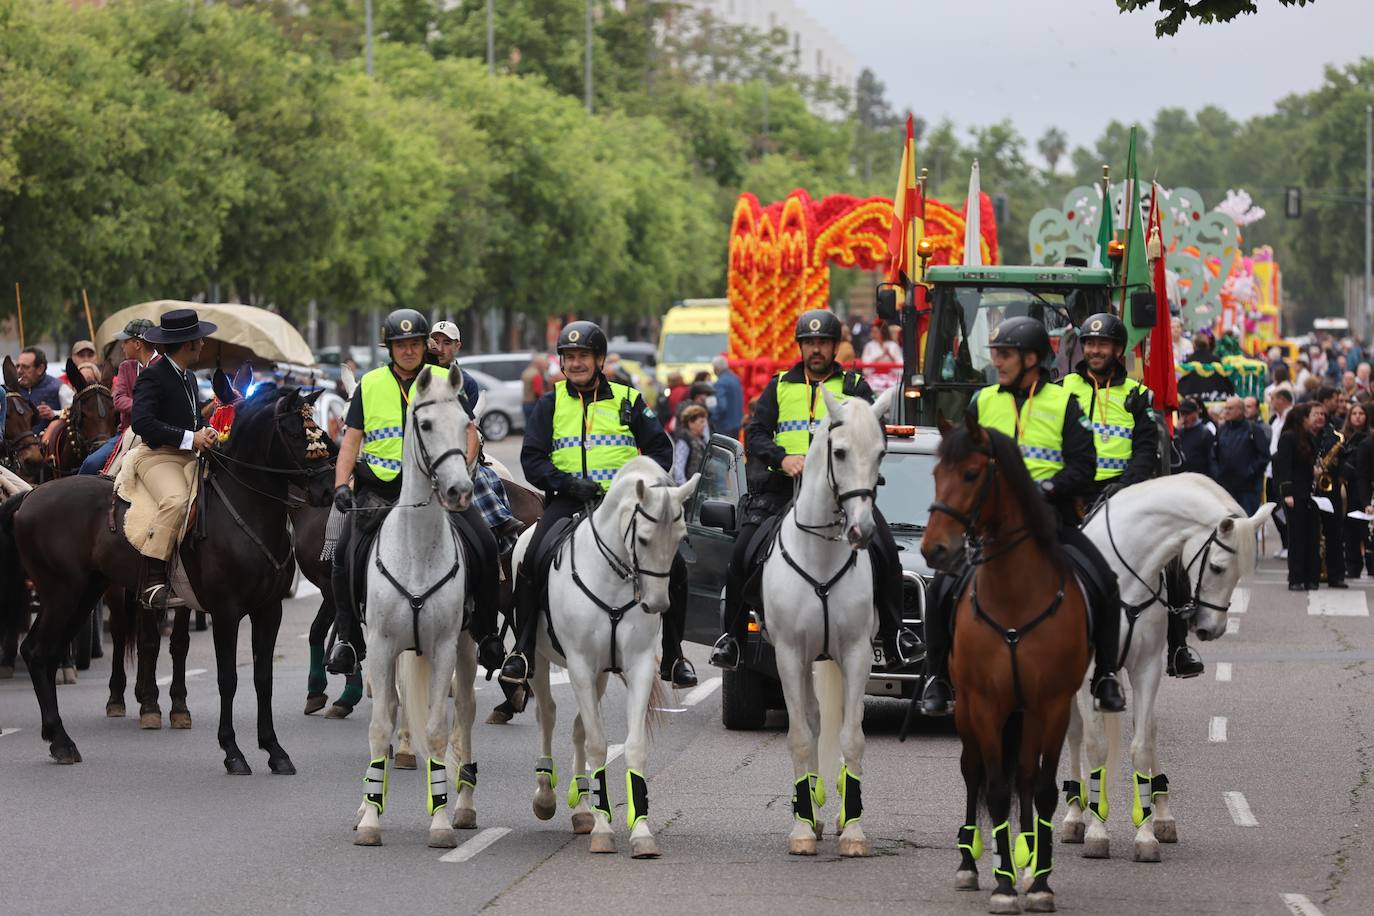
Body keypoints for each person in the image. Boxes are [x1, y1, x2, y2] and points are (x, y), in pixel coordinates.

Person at [918, 316, 1126, 715]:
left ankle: (1106, 675)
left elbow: (1085, 466)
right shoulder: (982, 401)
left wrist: (1045, 489)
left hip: (1050, 523)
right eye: (995, 354)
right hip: (990, 529)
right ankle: (937, 678)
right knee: (942, 587)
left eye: (1005, 354)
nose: (997, 361)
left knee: (1105, 582)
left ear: (1032, 358)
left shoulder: (1064, 402)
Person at [709, 309, 920, 673]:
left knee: (886, 551)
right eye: (810, 343)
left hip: (842, 493)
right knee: (742, 554)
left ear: (835, 347)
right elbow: (756, 433)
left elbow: (875, 433)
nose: (816, 350)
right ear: (801, 347)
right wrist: (783, 457)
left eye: (823, 343)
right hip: (781, 489)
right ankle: (734, 641)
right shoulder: (778, 386)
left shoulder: (854, 387)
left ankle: (896, 633)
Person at [498, 320, 698, 690]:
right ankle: (523, 648)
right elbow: (533, 459)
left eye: (583, 356)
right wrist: (566, 483)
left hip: (622, 505)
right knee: (532, 558)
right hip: (569, 501)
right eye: (568, 357)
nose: (575, 364)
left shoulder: (629, 399)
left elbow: (660, 451)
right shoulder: (549, 402)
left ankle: (673, 654)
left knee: (677, 565)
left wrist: (634, 484)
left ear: (600, 360)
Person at [325, 309, 506, 676]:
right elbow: (351, 441)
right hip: (381, 487)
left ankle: (487, 633)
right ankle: (348, 640)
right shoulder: (370, 384)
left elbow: (470, 430)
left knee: (485, 544)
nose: (407, 351)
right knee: (343, 555)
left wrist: (464, 470)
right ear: (389, 348)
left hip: (437, 487)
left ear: (424, 345)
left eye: (413, 344)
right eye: (399, 345)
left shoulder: (444, 378)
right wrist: (342, 485)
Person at [1061, 313, 1201, 678]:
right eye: (1089, 344)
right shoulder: (1061, 389)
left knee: (1168, 560)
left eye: (1102, 344)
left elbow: (1145, 449)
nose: (1094, 350)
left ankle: (1179, 646)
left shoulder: (1138, 395)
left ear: (1118, 350)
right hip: (1074, 491)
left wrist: (1127, 485)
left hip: (1123, 492)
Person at [126, 309, 221, 609]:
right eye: (200, 340)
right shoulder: (153, 377)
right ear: (187, 344)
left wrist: (204, 433)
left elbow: (191, 423)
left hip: (186, 455)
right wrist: (190, 437)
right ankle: (153, 580)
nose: (203, 344)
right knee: (177, 500)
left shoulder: (190, 378)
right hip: (156, 456)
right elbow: (142, 423)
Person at [81, 319, 156, 475]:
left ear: (137, 344)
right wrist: (145, 409)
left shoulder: (163, 366)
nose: (122, 346)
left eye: (125, 341)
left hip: (156, 436)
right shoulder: (125, 366)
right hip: (124, 435)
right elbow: (119, 400)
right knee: (90, 463)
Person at [1274, 402, 1325, 591]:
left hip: (1309, 492)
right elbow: (1284, 467)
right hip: (1295, 493)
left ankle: (1312, 577)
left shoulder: (1309, 437)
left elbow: (1308, 464)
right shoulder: (1288, 437)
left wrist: (1316, 471)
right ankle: (1296, 577)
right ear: (1303, 418)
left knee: (1312, 536)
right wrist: (1287, 493)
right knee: (1297, 537)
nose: (1316, 419)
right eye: (1312, 415)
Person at [1213, 396, 1269, 516]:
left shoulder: (1254, 429)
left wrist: (1250, 471)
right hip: (1226, 488)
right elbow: (1214, 454)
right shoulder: (1221, 430)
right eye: (1225, 408)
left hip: (1248, 489)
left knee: (1246, 523)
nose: (1226, 411)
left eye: (1230, 408)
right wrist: (1218, 473)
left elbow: (1263, 456)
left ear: (1240, 410)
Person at [1314, 393, 1348, 588]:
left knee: (1334, 533)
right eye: (1315, 414)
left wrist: (1336, 470)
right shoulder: (1305, 436)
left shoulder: (1335, 437)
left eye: (1321, 414)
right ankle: (1314, 572)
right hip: (1311, 489)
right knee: (1312, 535)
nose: (1319, 417)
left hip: (1330, 489)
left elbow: (1345, 463)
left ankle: (1335, 574)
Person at [1340, 402, 1372, 578]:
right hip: (1349, 488)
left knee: (1367, 529)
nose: (1358, 416)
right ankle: (1353, 565)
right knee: (1350, 528)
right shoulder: (1343, 438)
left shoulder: (1368, 439)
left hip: (1366, 486)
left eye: (1361, 413)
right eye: (1354, 413)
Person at [1267, 388, 1294, 557]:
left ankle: (1290, 543)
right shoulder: (1274, 419)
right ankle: (1285, 542)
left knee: (1283, 507)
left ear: (1282, 400)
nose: (1271, 402)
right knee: (1274, 508)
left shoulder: (1292, 418)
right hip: (1271, 471)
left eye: (1274, 399)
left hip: (1284, 470)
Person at [14, 347, 63, 434]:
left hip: (49, 445)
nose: (19, 371)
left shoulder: (59, 387)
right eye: (18, 366)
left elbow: (75, 413)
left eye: (25, 367)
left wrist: (54, 414)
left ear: (40, 369)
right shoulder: (11, 391)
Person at [672, 403, 709, 485]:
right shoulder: (684, 441)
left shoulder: (701, 440)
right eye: (701, 422)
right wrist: (686, 492)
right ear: (690, 423)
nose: (704, 425)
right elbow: (678, 471)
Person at [1174, 399, 1214, 475]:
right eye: (1182, 414)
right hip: (1183, 477)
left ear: (1196, 413)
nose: (1184, 417)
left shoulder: (1205, 433)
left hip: (1200, 477)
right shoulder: (1179, 433)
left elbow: (1212, 459)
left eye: (1188, 414)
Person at [861, 322, 903, 393]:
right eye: (872, 332)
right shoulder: (869, 346)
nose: (873, 334)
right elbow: (865, 364)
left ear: (883, 332)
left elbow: (900, 363)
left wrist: (890, 355)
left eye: (875, 332)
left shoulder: (893, 345)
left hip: (891, 375)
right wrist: (880, 356)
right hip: (873, 376)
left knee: (895, 389)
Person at [710, 355, 743, 440]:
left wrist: (712, 417)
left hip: (724, 425)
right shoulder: (735, 378)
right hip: (737, 423)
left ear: (716, 369)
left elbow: (722, 406)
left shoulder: (720, 383)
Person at [521, 353, 548, 426]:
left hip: (525, 403)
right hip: (534, 404)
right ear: (538, 364)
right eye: (542, 363)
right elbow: (538, 391)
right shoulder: (536, 375)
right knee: (535, 427)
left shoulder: (526, 372)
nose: (543, 365)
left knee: (528, 426)